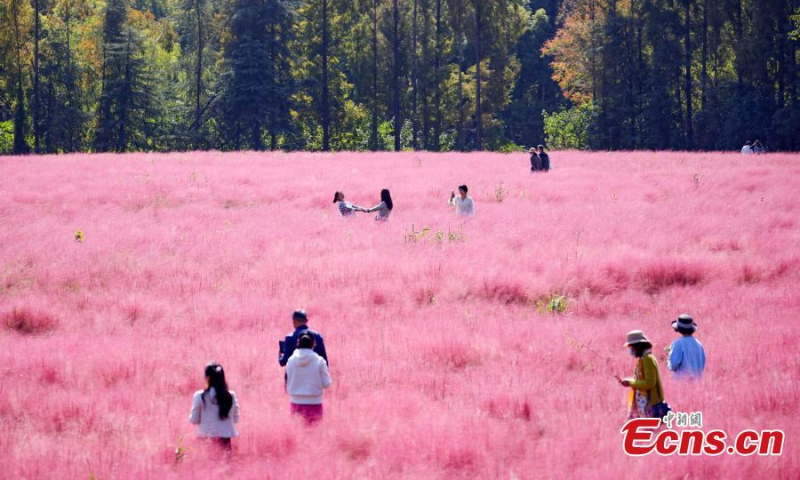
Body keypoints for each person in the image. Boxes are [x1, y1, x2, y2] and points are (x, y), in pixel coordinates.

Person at [617, 330, 670, 420]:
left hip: (651, 405)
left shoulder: (648, 359)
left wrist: (631, 383)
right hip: (645, 405)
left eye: (630, 346)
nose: (629, 349)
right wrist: (629, 381)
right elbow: (640, 380)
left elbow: (649, 383)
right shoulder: (642, 360)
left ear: (637, 346)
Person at [189, 362, 240, 453]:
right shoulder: (231, 396)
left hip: (205, 439)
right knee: (224, 466)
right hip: (225, 441)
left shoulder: (199, 396)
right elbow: (236, 419)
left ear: (207, 378)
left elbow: (194, 420)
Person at [286, 330, 332, 424]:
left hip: (295, 403)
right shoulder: (320, 361)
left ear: (298, 343)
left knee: (297, 436)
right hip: (314, 404)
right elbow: (326, 384)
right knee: (314, 436)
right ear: (313, 344)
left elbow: (288, 381)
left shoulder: (290, 360)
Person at [667, 314, 706, 379]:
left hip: (681, 382)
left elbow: (674, 364)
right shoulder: (699, 345)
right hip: (697, 383)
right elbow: (702, 365)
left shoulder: (678, 343)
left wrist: (668, 362)